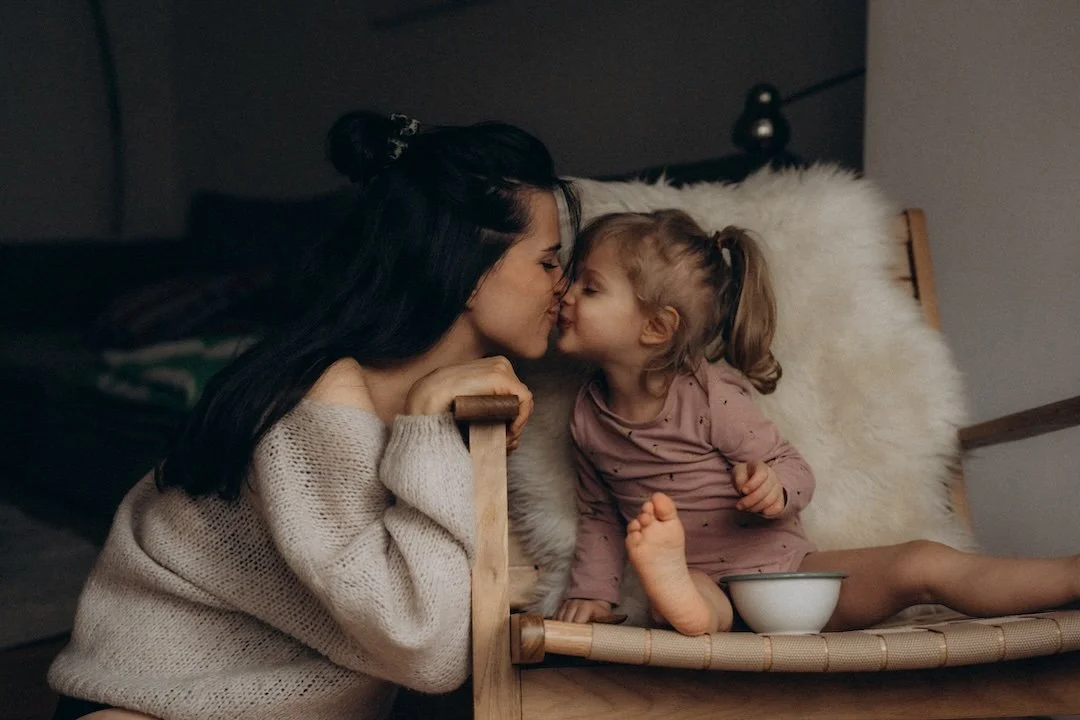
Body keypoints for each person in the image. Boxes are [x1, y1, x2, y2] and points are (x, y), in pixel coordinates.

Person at [47, 111, 579, 720]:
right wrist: (428, 422)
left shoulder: (468, 399)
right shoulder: (325, 398)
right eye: (546, 262)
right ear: (467, 271)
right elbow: (428, 651)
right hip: (150, 701)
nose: (563, 286)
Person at [552, 209, 1080, 636]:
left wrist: (774, 488)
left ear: (656, 327)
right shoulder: (587, 418)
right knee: (681, 594)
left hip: (790, 578)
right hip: (706, 590)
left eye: (590, 287)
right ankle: (684, 600)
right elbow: (600, 516)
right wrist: (591, 595)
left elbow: (791, 466)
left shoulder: (710, 396)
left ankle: (1067, 576)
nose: (566, 294)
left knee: (922, 563)